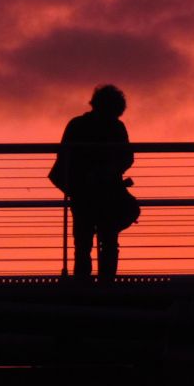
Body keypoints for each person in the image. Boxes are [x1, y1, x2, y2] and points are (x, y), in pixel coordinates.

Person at [49, 85, 137, 278]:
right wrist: (110, 172)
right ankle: (107, 283)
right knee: (108, 240)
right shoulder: (116, 127)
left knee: (83, 243)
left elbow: (63, 160)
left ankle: (82, 284)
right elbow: (127, 157)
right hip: (106, 193)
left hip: (83, 193)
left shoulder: (77, 125)